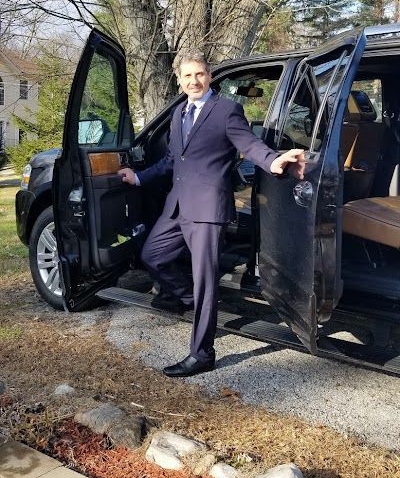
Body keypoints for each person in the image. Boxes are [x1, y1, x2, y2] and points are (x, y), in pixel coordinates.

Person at [118, 51, 305, 378]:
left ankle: (202, 353)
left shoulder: (226, 110)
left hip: (207, 208)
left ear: (210, 76)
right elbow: (171, 161)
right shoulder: (178, 113)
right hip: (177, 206)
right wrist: (139, 177)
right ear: (180, 79)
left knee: (206, 280)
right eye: (187, 76)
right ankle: (194, 302)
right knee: (152, 255)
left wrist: (273, 160)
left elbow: (249, 144)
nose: (194, 81)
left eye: (200, 75)